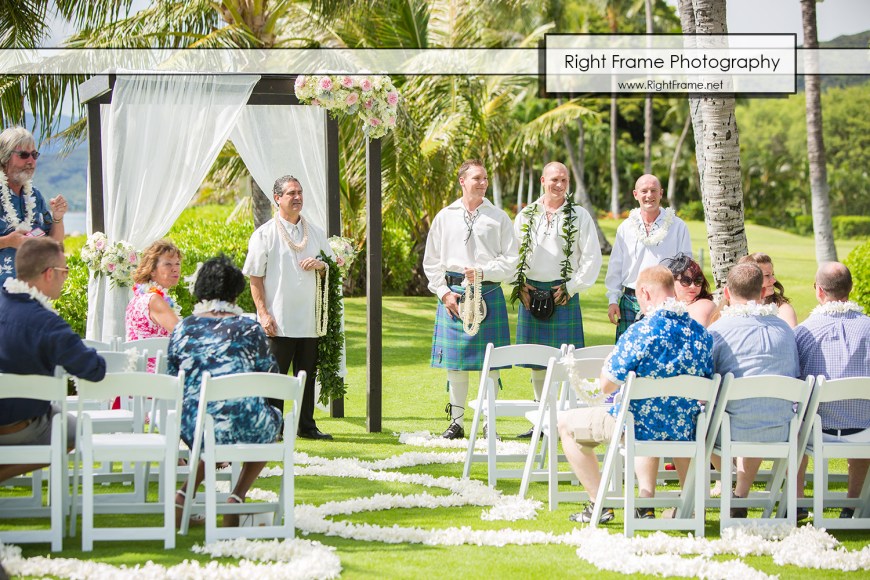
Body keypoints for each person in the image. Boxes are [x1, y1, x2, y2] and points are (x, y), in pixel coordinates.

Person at [557, 265, 713, 523]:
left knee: (565, 423)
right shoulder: (701, 335)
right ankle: (667, 505)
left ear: (644, 293)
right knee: (651, 413)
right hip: (684, 428)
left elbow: (607, 385)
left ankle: (599, 503)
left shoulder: (641, 331)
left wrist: (608, 365)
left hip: (636, 427)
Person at [168, 255, 282, 527]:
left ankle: (185, 492)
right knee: (272, 420)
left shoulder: (183, 328)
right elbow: (269, 372)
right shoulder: (249, 328)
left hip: (196, 424)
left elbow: (173, 377)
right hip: (245, 421)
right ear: (235, 291)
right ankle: (237, 496)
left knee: (212, 430)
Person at [423, 159, 518, 439]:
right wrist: (444, 293)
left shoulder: (499, 217)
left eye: (485, 178)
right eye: (477, 178)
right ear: (462, 181)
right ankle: (457, 423)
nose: (483, 183)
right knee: (456, 363)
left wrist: (483, 272)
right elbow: (432, 262)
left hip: (488, 292)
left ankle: (489, 423)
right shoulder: (445, 216)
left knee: (491, 363)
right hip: (453, 294)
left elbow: (511, 261)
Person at [0, 238, 106, 482]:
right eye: (64, 271)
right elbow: (94, 370)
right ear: (49, 273)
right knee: (75, 430)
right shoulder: (47, 324)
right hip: (19, 425)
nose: (65, 277)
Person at [513, 161, 601, 437]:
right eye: (554, 179)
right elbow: (512, 252)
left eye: (564, 180)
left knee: (568, 362)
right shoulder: (526, 215)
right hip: (531, 292)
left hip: (563, 293)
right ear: (543, 181)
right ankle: (540, 422)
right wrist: (519, 284)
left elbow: (592, 257)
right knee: (537, 361)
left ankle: (566, 423)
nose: (559, 185)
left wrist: (572, 287)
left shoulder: (580, 216)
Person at [243, 175, 335, 441]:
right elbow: (255, 277)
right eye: (291, 193)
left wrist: (321, 266)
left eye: (300, 192)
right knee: (277, 377)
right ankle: (274, 427)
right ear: (277, 198)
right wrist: (263, 314)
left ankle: (307, 425)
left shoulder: (315, 232)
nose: (297, 197)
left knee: (307, 375)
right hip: (278, 320)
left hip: (309, 319)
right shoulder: (264, 234)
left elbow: (330, 267)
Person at [707, 262, 800, 517]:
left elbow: (706, 381)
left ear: (727, 293)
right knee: (757, 403)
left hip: (733, 430)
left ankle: (697, 501)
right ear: (762, 292)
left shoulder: (717, 331)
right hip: (781, 427)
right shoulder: (785, 330)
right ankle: (740, 495)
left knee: (698, 417)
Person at [795, 262, 870, 519]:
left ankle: (797, 502)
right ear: (851, 288)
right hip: (865, 431)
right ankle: (852, 505)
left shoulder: (803, 332)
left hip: (817, 431)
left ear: (818, 290)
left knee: (794, 420)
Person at [604, 174, 691, 340]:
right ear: (635, 194)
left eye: (653, 190)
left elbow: (686, 265)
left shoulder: (678, 226)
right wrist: (613, 300)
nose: (649, 195)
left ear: (661, 193)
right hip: (630, 300)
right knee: (628, 352)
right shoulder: (625, 227)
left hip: (665, 299)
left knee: (663, 351)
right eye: (644, 191)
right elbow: (616, 266)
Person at [0, 127, 68, 285]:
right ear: (4, 158)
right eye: (24, 155)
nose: (30, 161)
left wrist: (58, 217)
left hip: (31, 289)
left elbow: (54, 244)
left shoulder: (35, 196)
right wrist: (8, 241)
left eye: (34, 155)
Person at [126, 239, 183, 341]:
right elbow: (183, 335)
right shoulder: (154, 300)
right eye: (168, 264)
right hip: (155, 352)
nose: (175, 269)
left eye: (177, 264)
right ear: (152, 270)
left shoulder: (140, 296)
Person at [738, 252, 797, 328]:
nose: (774, 280)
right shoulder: (734, 308)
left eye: (772, 274)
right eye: (767, 275)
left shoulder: (783, 310)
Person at [662, 253, 716, 327]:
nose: (693, 286)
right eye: (686, 281)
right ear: (672, 282)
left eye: (698, 280)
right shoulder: (663, 305)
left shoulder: (703, 306)